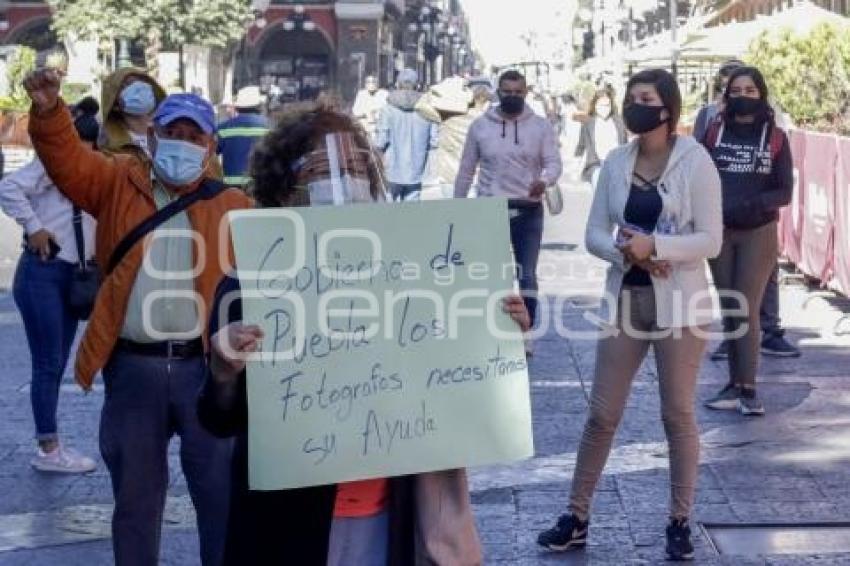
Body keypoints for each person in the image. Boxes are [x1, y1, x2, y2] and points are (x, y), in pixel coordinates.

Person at [196, 102, 528, 565]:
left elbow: (459, 372)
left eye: (355, 165)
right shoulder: (250, 280)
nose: (342, 176)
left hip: (387, 512)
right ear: (286, 184)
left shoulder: (414, 269)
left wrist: (499, 329)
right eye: (320, 167)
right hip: (289, 518)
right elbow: (216, 419)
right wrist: (224, 371)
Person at [24, 68, 252, 566]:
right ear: (153, 135)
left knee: (219, 497)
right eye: (173, 132)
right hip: (132, 369)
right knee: (134, 501)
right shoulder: (114, 181)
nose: (182, 143)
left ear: (210, 145)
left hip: (207, 371)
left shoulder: (235, 206)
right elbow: (65, 162)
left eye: (194, 136)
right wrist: (48, 112)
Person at [536, 68, 722, 561]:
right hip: (626, 300)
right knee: (601, 414)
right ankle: (576, 517)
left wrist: (657, 244)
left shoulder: (695, 160)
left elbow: (711, 238)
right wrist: (627, 252)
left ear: (668, 108)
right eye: (631, 97)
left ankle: (679, 520)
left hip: (680, 306)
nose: (634, 105)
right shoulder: (617, 161)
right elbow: (595, 232)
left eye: (645, 98)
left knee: (677, 414)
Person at [0, 98, 99, 473]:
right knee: (48, 362)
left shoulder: (98, 167)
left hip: (75, 276)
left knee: (56, 363)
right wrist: (34, 227)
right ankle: (48, 448)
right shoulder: (50, 164)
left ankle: (51, 442)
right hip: (42, 273)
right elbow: (8, 187)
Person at [702, 66, 794, 416]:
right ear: (727, 95)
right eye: (736, 90)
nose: (743, 96)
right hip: (719, 230)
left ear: (761, 95)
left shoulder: (777, 138)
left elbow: (784, 191)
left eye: (750, 90)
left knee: (748, 306)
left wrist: (752, 204)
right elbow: (696, 174)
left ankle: (749, 387)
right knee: (730, 307)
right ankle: (734, 383)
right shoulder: (713, 132)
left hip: (758, 231)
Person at [454, 69, 562, 354]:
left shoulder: (540, 126)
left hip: (528, 209)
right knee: (489, 274)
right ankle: (489, 332)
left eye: (518, 92)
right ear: (497, 92)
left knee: (526, 275)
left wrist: (545, 180)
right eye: (507, 92)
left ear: (525, 93)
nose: (512, 97)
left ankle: (526, 333)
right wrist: (457, 206)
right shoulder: (480, 126)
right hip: (489, 210)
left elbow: (553, 162)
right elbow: (466, 169)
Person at [375, 68, 439, 202]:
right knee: (412, 214)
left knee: (390, 211)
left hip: (392, 169)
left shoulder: (388, 109)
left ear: (398, 84)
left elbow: (381, 141)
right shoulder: (427, 108)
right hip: (417, 168)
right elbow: (434, 141)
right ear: (417, 85)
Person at [99, 67, 167, 158]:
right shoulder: (111, 147)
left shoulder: (172, 131)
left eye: (141, 82)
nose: (138, 88)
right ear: (115, 105)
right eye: (126, 85)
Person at [216, 86, 270, 188]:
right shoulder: (270, 127)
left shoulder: (223, 128)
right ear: (259, 106)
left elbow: (210, 155)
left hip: (231, 187)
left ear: (237, 107)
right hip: (260, 185)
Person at [575, 87, 627, 187]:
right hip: (596, 165)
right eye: (601, 105)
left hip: (617, 165)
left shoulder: (619, 122)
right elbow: (581, 145)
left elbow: (626, 144)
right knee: (599, 184)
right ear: (595, 105)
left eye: (607, 105)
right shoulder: (588, 123)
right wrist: (577, 165)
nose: (604, 108)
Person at [352, 75, 388, 142]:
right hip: (364, 127)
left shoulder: (384, 94)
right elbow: (355, 111)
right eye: (368, 82)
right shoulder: (361, 94)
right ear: (365, 84)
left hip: (380, 127)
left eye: (373, 82)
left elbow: (387, 110)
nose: (371, 84)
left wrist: (375, 113)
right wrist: (366, 113)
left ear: (377, 83)